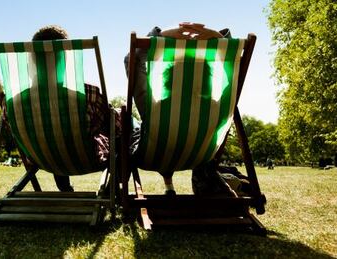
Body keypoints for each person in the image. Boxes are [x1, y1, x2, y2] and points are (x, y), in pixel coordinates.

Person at [124, 23, 231, 196]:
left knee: (132, 124)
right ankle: (173, 184)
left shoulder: (154, 107)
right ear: (207, 79)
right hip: (200, 158)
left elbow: (131, 60)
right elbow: (233, 60)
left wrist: (160, 35)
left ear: (169, 77)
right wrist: (216, 35)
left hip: (153, 157)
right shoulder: (218, 107)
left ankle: (164, 183)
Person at [32, 25, 116, 192]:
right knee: (119, 125)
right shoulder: (88, 94)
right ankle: (111, 189)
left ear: (33, 58)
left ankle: (64, 188)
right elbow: (106, 123)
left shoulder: (14, 102)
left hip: (44, 160)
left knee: (54, 137)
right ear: (66, 57)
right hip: (86, 159)